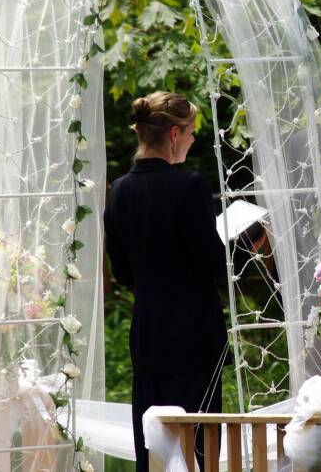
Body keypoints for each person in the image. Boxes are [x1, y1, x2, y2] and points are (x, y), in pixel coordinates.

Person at [103, 91, 228, 471]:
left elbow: (123, 273)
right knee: (198, 452)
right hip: (194, 337)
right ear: (174, 134)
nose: (192, 139)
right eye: (191, 132)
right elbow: (213, 262)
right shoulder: (189, 185)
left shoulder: (118, 191)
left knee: (153, 450)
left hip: (148, 337)